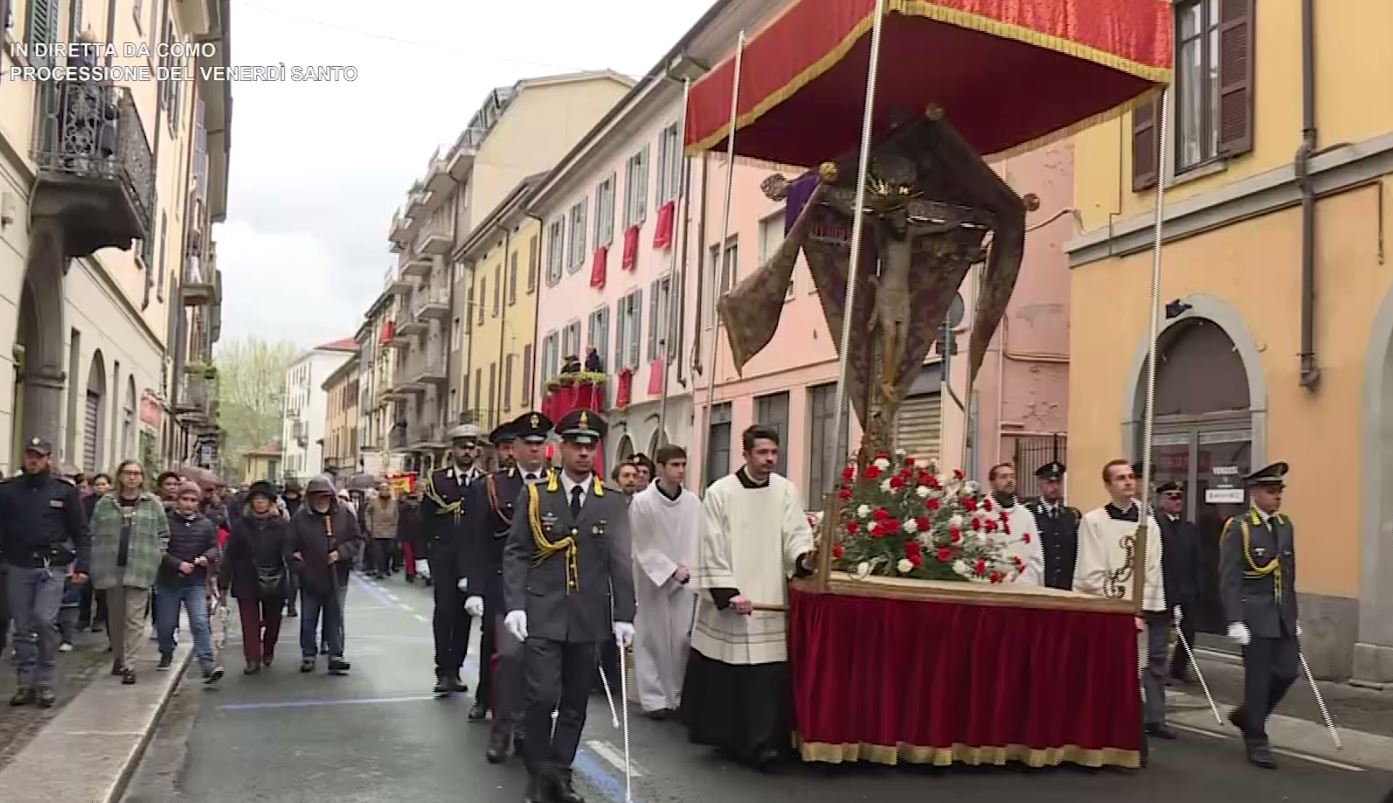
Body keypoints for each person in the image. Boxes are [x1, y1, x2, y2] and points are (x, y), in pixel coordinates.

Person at [504, 409, 635, 803]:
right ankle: (539, 773)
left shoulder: (611, 502)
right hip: (543, 613)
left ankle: (560, 774)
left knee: (576, 702)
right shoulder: (535, 494)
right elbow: (516, 552)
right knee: (542, 697)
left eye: (589, 446)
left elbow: (621, 562)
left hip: (588, 618)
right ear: (559, 449)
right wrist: (515, 604)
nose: (582, 453)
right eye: (575, 445)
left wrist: (625, 614)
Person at [683, 424, 816, 770]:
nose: (770, 459)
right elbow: (710, 545)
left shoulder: (785, 490)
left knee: (766, 678)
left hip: (769, 596)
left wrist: (804, 557)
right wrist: (728, 592)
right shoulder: (720, 493)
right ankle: (731, 741)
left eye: (774, 452)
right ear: (745, 454)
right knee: (729, 675)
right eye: (762, 452)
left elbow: (795, 534)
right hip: (733, 599)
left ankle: (765, 746)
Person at [465, 413, 552, 762]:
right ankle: (502, 730)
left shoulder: (559, 485)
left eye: (539, 444)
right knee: (511, 660)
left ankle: (529, 732)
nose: (534, 451)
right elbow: (477, 543)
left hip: (549, 592)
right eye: (527, 445)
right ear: (513, 449)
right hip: (507, 589)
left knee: (543, 669)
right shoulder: (491, 487)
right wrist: (474, 588)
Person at [1073, 459, 1170, 743]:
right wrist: (1114, 607)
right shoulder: (1093, 522)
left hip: (1137, 615)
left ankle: (1127, 736)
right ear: (1107, 485)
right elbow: (1089, 569)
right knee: (1101, 673)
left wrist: (1141, 610)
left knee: (1133, 675)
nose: (1128, 482)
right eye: (1120, 478)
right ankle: (1094, 732)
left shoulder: (1148, 523)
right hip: (1106, 611)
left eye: (1130, 477)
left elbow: (1153, 568)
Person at [1220, 462, 1300, 769]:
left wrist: (1294, 614)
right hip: (1253, 615)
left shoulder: (1285, 525)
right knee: (1258, 679)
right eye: (1271, 490)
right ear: (1254, 493)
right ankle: (1256, 738)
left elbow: (1289, 573)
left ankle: (1246, 715)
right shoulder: (1239, 527)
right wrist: (1235, 619)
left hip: (1281, 614)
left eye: (1280, 490)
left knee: (1287, 671)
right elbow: (1230, 576)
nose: (1277, 496)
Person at [0, 437, 90, 707]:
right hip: (18, 565)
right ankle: (25, 683)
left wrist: (83, 565)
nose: (33, 460)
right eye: (29, 455)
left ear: (49, 458)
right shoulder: (8, 491)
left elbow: (81, 532)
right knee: (22, 628)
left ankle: (46, 682)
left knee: (43, 620)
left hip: (52, 567)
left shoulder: (64, 491)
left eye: (39, 456)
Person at [628, 444, 699, 718]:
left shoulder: (693, 502)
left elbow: (697, 536)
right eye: (674, 465)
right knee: (652, 635)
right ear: (660, 467)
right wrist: (670, 569)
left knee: (681, 637)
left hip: (686, 578)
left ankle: (677, 696)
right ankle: (654, 698)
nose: (680, 471)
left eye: (683, 465)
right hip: (652, 578)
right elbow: (642, 545)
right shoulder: (642, 503)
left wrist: (690, 568)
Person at [89, 459, 168, 686]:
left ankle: (130, 664)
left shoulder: (152, 503)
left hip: (140, 566)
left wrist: (156, 555)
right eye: (128, 473)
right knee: (115, 617)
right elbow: (93, 531)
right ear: (120, 476)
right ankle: (119, 657)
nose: (132, 477)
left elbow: (163, 533)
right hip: (111, 567)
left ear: (142, 477)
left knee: (134, 618)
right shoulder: (106, 502)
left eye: (136, 473)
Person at [422, 423, 485, 696]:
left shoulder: (484, 482)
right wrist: (423, 556)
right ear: (453, 450)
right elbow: (424, 520)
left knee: (464, 617)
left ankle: (456, 670)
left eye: (472, 447)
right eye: (462, 447)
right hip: (444, 558)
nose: (467, 452)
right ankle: (442, 670)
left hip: (472, 559)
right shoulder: (438, 480)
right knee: (444, 614)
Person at [286, 476, 362, 675]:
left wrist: (340, 553)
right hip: (311, 577)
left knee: (335, 616)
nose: (321, 501)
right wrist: (300, 565)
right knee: (309, 618)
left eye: (325, 497)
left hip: (337, 576)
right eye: (317, 497)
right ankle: (308, 654)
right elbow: (289, 548)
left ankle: (336, 654)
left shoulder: (344, 514)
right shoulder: (300, 518)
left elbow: (356, 540)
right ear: (310, 498)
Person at [219, 481, 291, 675]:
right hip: (246, 578)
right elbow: (230, 554)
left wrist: (294, 578)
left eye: (264, 500)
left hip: (275, 578)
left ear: (271, 503)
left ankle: (268, 650)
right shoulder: (241, 526)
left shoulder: (282, 525)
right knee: (249, 622)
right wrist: (223, 581)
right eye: (256, 500)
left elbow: (290, 553)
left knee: (273, 620)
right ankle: (252, 658)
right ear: (250, 503)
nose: (260, 503)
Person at [156, 480, 222, 683]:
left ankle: (207, 665)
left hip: (195, 582)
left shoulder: (206, 524)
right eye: (185, 499)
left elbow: (214, 548)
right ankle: (166, 651)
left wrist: (206, 557)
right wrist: (177, 564)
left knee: (200, 622)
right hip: (169, 581)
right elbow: (159, 549)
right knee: (165, 625)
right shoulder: (165, 522)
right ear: (177, 501)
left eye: (193, 500)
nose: (188, 504)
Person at [1156, 479, 1202, 685]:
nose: (1176, 501)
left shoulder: (1188, 527)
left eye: (1179, 497)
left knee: (1189, 629)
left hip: (1187, 588)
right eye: (1171, 497)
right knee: (1163, 631)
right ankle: (1161, 668)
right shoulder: (1155, 525)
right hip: (1164, 587)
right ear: (1161, 500)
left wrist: (1197, 586)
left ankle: (1179, 667)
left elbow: (1196, 559)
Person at [985, 462, 1044, 585]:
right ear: (992, 483)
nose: (1009, 480)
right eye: (1003, 477)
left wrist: (1019, 582)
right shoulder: (980, 514)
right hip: (987, 586)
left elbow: (1036, 558)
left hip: (1021, 587)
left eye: (1012, 477)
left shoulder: (1026, 516)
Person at [1029, 461, 1080, 591]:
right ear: (1039, 484)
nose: (1055, 487)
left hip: (1066, 585)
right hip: (1040, 584)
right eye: (1050, 482)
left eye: (1059, 482)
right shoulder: (1030, 514)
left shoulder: (1072, 516)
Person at [363, 482, 399, 579]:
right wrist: (369, 526)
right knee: (379, 552)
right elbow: (367, 513)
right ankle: (380, 571)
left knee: (389, 550)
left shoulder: (394, 502)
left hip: (390, 530)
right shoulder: (374, 501)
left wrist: (395, 527)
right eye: (383, 489)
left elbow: (396, 515)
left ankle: (386, 567)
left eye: (387, 489)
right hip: (377, 530)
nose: (385, 491)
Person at [281, 478, 304, 617]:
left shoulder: (303, 506)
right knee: (282, 577)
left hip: (297, 544)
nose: (291, 496)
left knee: (294, 579)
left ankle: (291, 604)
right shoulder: (279, 504)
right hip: (281, 542)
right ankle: (284, 602)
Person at [398, 488, 424, 583]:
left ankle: (412, 572)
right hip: (409, 535)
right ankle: (411, 572)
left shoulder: (420, 507)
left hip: (414, 535)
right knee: (410, 555)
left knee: (412, 556)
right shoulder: (405, 508)